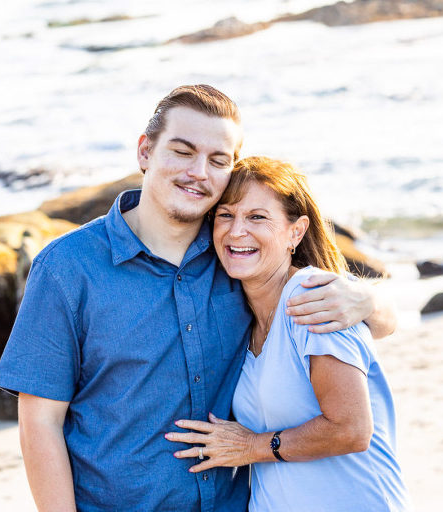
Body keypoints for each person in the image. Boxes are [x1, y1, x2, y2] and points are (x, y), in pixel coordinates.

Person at [0, 85, 397, 511]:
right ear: (145, 152)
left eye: (218, 160)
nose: (199, 172)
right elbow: (40, 423)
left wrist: (370, 302)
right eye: (183, 152)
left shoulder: (237, 251)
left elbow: (358, 319)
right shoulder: (68, 267)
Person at [166, 156, 412, 511]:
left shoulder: (311, 299)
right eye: (226, 215)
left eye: (257, 217)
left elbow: (351, 429)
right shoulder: (240, 316)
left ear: (295, 232)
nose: (236, 231)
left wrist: (251, 447)